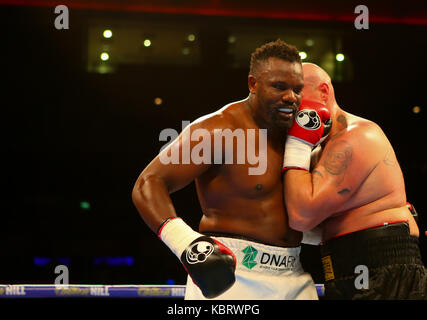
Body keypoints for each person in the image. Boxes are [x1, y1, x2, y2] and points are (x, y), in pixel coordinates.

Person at [132, 40, 318, 300]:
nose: (291, 97)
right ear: (253, 84)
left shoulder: (300, 136)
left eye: (297, 89)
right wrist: (185, 243)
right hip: (232, 277)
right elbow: (149, 182)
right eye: (279, 87)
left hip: (295, 274)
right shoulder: (219, 130)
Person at [282, 62, 427, 299]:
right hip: (343, 269)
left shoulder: (355, 137)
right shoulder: (318, 150)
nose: (289, 100)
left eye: (296, 91)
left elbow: (302, 216)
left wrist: (296, 144)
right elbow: (300, 222)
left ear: (324, 92)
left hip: (383, 268)